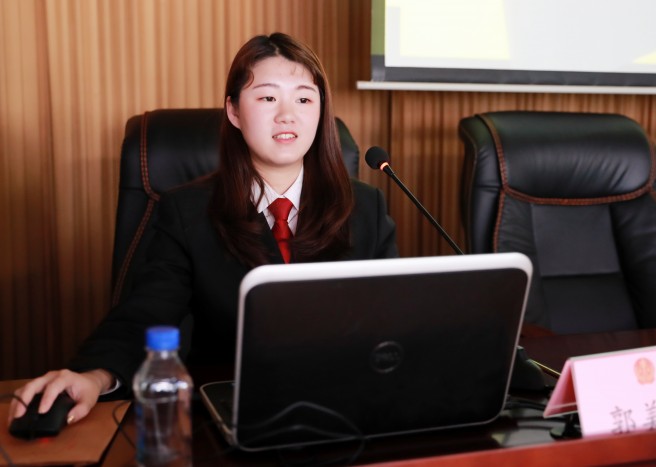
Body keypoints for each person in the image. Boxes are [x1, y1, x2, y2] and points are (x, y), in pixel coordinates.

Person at [8, 32, 397, 426]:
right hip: (228, 414)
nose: (287, 114)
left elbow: (393, 325)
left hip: (346, 414)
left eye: (304, 99)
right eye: (267, 98)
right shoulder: (188, 212)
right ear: (234, 111)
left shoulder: (365, 208)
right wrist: (93, 376)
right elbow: (147, 314)